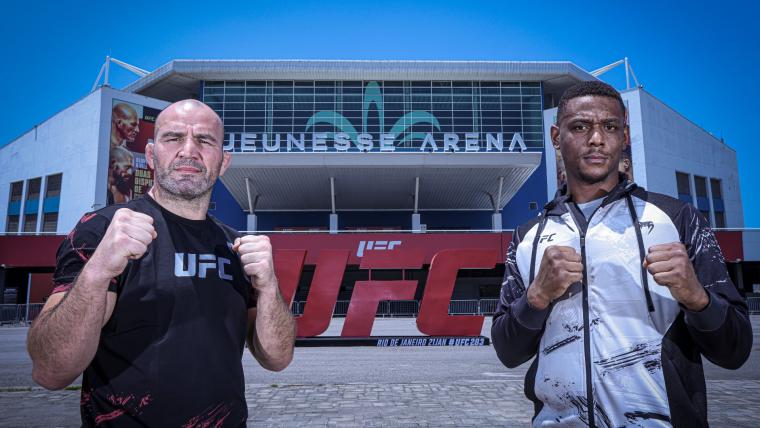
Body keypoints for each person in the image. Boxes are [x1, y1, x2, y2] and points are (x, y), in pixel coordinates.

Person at [491, 81, 751, 427]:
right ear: (556, 136)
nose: (597, 139)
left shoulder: (676, 219)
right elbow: (508, 352)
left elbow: (735, 351)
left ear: (625, 136)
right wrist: (536, 297)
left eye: (609, 127)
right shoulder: (529, 236)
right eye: (580, 127)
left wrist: (696, 297)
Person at [28, 99, 296, 426]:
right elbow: (51, 370)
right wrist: (97, 271)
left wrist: (269, 286)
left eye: (204, 140)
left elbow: (277, 358)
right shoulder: (103, 230)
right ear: (152, 156)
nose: (189, 150)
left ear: (223, 162)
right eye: (173, 138)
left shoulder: (236, 246)